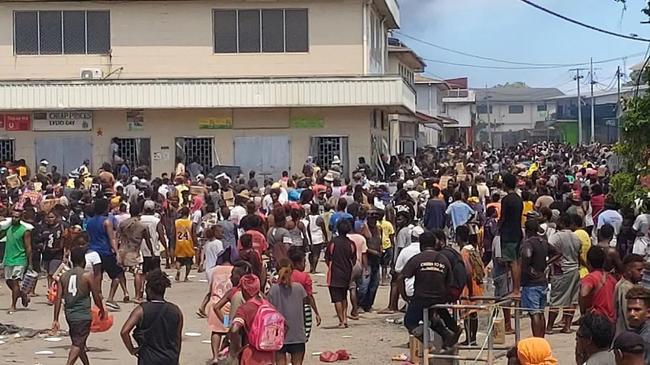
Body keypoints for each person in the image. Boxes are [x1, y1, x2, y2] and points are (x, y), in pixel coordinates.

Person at [401, 226, 460, 350]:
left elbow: (400, 277)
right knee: (433, 318)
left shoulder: (417, 259)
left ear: (421, 245)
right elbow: (449, 281)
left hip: (421, 297)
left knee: (409, 322)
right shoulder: (443, 259)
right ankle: (449, 332)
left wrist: (404, 295)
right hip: (439, 297)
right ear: (434, 244)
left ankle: (426, 342)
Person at [52, 246, 106, 365]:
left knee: (79, 342)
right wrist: (101, 309)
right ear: (84, 261)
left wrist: (55, 318)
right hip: (83, 315)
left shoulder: (63, 276)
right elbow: (96, 295)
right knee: (78, 343)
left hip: (69, 314)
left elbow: (58, 299)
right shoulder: (87, 275)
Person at [121, 269, 183, 365]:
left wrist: (132, 350)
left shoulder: (141, 310)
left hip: (148, 358)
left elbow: (124, 331)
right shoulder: (176, 310)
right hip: (170, 358)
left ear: (149, 290)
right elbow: (177, 337)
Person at [520, 219, 559, 338]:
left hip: (531, 283)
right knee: (541, 313)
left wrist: (526, 268)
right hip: (543, 282)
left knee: (534, 314)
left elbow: (527, 255)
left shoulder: (529, 243)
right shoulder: (543, 241)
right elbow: (557, 253)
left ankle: (537, 339)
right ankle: (541, 339)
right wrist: (547, 263)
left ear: (527, 230)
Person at [87, 199, 129, 309]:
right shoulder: (107, 222)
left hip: (93, 251)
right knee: (117, 275)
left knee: (97, 275)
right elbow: (112, 239)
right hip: (105, 251)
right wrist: (117, 252)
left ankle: (98, 295)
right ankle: (110, 298)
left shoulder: (89, 222)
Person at [228, 274, 275, 365]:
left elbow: (234, 329)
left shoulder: (244, 306)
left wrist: (235, 348)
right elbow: (284, 325)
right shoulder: (268, 305)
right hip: (268, 354)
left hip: (251, 352)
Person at [268, 259, 308, 365]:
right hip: (297, 335)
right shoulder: (299, 288)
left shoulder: (273, 290)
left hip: (278, 335)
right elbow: (306, 312)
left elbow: (269, 313)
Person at [547, 213, 581, 334]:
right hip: (575, 269)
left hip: (561, 270)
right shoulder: (576, 237)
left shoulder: (556, 237)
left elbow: (549, 248)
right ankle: (567, 326)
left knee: (556, 299)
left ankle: (549, 327)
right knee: (572, 300)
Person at [325, 219, 357, 328]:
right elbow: (353, 259)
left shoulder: (333, 243)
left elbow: (327, 257)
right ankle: (345, 318)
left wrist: (330, 266)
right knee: (344, 297)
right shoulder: (351, 244)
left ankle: (341, 321)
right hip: (346, 273)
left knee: (337, 299)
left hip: (334, 274)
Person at [2, 208, 34, 314]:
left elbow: (28, 247)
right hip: (8, 259)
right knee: (8, 281)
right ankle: (22, 294)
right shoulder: (8, 228)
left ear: (21, 218)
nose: (14, 218)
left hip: (20, 259)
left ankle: (13, 305)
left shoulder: (25, 230)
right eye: (13, 216)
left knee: (15, 282)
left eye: (17, 217)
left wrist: (29, 263)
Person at [499, 173, 523, 297]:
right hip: (518, 232)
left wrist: (498, 228)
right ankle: (516, 287)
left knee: (512, 262)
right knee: (516, 261)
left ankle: (515, 289)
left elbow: (503, 217)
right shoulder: (519, 199)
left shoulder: (506, 200)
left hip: (508, 234)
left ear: (505, 184)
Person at [579, 246, 617, 323]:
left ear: (588, 262)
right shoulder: (611, 278)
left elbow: (584, 294)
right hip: (611, 319)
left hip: (596, 319)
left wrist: (583, 312)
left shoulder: (590, 278)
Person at [615, 254, 645, 336]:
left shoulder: (624, 284)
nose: (642, 273)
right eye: (639, 270)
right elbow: (629, 320)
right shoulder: (626, 288)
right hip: (628, 335)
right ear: (628, 270)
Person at [139, 200, 168, 276]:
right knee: (155, 273)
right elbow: (161, 236)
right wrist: (166, 247)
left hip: (141, 250)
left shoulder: (139, 219)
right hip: (154, 250)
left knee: (143, 273)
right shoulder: (156, 220)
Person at [625, 286, 650, 364]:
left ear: (648, 312)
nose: (631, 314)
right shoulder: (637, 331)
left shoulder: (645, 340)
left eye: (637, 310)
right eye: (629, 309)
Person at [174, 207, 197, 282]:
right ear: (188, 214)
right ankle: (186, 277)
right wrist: (196, 244)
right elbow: (193, 235)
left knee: (178, 260)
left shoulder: (176, 222)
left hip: (179, 243)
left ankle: (178, 270)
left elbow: (173, 233)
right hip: (188, 244)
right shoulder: (190, 223)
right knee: (188, 262)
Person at [306, 203, 328, 273]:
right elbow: (323, 229)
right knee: (316, 254)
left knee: (311, 254)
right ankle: (314, 269)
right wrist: (326, 238)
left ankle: (311, 266)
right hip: (318, 238)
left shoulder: (307, 218)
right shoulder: (319, 218)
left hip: (310, 238)